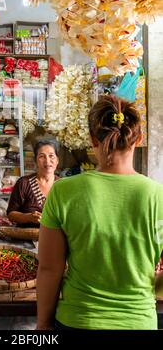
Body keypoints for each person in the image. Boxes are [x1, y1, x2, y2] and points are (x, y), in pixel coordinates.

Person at [37, 94, 163, 330]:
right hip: (139, 322)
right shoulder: (159, 196)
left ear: (93, 140)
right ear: (139, 139)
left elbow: (49, 269)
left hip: (78, 320)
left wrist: (43, 324)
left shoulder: (64, 190)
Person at [7, 140, 59, 226]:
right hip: (27, 237)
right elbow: (11, 214)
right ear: (35, 161)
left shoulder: (62, 185)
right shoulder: (23, 183)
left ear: (57, 160)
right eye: (42, 156)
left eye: (51, 156)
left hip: (55, 237)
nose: (47, 160)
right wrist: (28, 217)